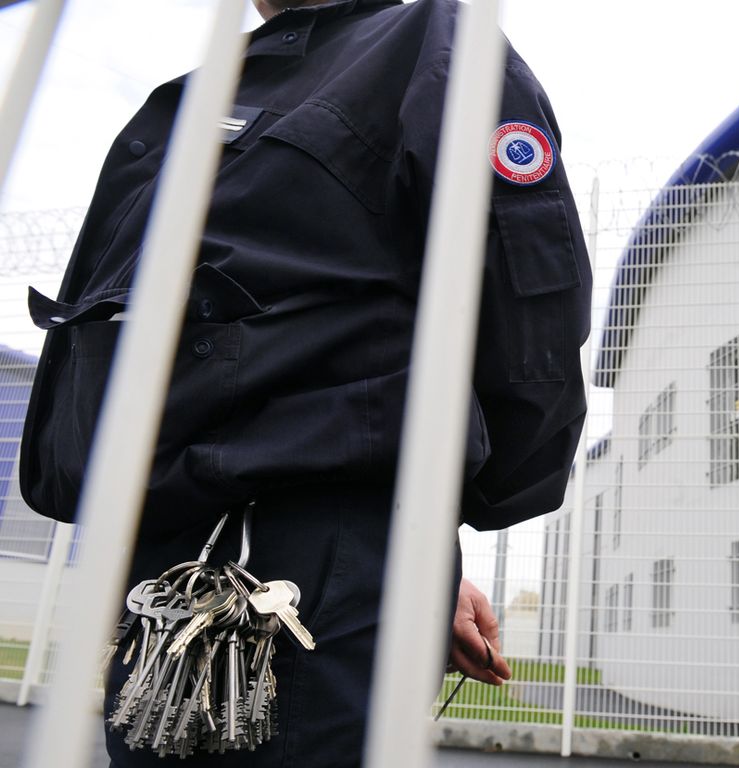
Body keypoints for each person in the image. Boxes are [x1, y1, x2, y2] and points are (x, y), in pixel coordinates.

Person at [18, 0, 591, 764]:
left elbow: (526, 291)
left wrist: (419, 527)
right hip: (165, 560)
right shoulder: (189, 98)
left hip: (311, 565)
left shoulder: (432, 40)